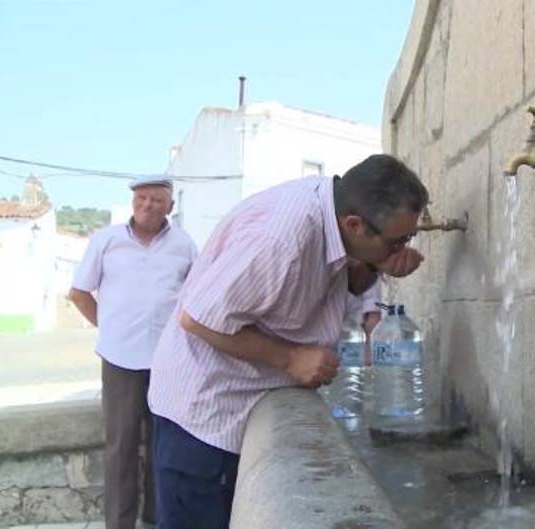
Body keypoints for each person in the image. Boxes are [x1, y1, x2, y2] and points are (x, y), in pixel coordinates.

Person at [147, 154, 429, 529]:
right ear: (356, 225)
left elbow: (347, 281)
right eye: (397, 242)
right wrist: (290, 358)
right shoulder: (281, 239)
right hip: (206, 414)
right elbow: (197, 318)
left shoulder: (338, 218)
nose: (402, 248)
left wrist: (380, 262)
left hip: (242, 398)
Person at [69, 176, 197, 529]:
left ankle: (156, 517)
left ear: (170, 207)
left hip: (168, 362)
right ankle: (119, 523)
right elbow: (79, 293)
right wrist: (108, 327)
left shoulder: (185, 245)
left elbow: (197, 298)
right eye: (142, 198)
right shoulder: (107, 240)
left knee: (163, 446)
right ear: (132, 202)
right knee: (121, 447)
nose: (148, 205)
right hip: (120, 359)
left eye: (157, 199)